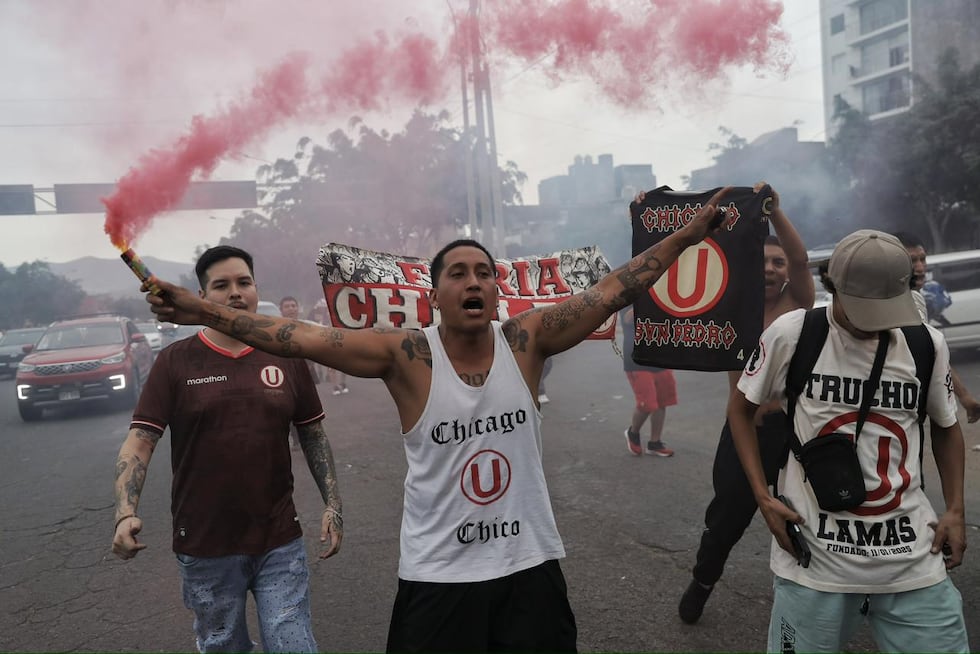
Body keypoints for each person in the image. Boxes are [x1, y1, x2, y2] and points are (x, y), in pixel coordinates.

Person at [142, 188, 734, 653]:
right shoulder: (405, 356)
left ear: (497, 292)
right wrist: (201, 310)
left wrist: (690, 234)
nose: (473, 280)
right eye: (457, 273)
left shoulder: (527, 340)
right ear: (434, 296)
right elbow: (301, 337)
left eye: (484, 273)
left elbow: (611, 292)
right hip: (438, 575)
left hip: (528, 567)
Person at [729, 230, 968, 653]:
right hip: (814, 565)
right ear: (831, 285)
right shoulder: (794, 334)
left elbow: (946, 426)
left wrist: (955, 509)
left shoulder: (925, 343)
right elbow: (740, 409)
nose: (872, 323)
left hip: (913, 561)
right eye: (861, 309)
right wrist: (763, 498)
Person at [112, 245, 344, 653]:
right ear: (201, 297)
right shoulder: (175, 362)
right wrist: (125, 512)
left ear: (256, 290)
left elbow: (312, 433)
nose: (236, 292)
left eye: (244, 282)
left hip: (279, 539)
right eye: (221, 285)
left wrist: (333, 504)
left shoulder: (286, 356)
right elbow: (141, 441)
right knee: (223, 647)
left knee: (292, 645)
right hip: (205, 545)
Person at [678, 184, 815, 623]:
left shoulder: (798, 305)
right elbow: (681, 272)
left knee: (809, 511)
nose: (771, 269)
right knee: (726, 519)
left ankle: (819, 592)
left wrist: (775, 212)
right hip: (744, 431)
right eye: (763, 262)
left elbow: (801, 260)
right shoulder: (730, 303)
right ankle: (703, 580)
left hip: (793, 432)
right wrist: (647, 217)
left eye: (778, 263)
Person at [892, 232, 980, 424]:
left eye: (922, 259)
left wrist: (964, 396)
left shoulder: (913, 297)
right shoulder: (905, 300)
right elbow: (933, 355)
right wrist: (964, 397)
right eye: (912, 261)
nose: (920, 267)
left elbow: (933, 352)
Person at [620, 305, 676, 457]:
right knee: (647, 403)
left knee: (662, 401)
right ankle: (633, 433)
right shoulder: (630, 296)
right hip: (637, 359)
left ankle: (654, 443)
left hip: (660, 356)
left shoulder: (661, 296)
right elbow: (628, 318)